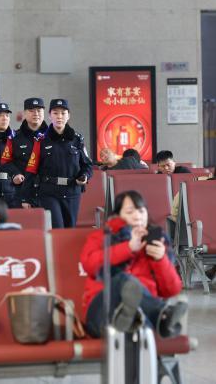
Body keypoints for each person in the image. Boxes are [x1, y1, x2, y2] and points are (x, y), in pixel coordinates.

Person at [80, 190, 187, 338]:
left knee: (138, 325)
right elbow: (90, 265)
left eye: (141, 211)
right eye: (130, 212)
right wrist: (128, 248)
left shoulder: (156, 241)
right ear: (117, 215)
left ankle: (146, 325)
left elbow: (172, 290)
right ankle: (161, 315)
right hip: (102, 312)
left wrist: (160, 259)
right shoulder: (102, 237)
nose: (137, 216)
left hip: (140, 314)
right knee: (124, 280)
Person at [24, 99, 93, 228]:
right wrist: (26, 197)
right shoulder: (41, 140)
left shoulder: (77, 139)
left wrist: (85, 176)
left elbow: (87, 165)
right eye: (55, 113)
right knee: (58, 228)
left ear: (68, 116)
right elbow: (31, 169)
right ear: (50, 116)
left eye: (63, 113)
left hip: (72, 191)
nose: (59, 116)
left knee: (70, 228)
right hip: (49, 192)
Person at [13, 98, 49, 207]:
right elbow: (6, 162)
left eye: (39, 110)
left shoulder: (53, 137)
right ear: (24, 113)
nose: (36, 114)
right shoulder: (14, 138)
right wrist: (14, 174)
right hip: (22, 192)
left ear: (44, 113)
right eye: (31, 110)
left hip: (49, 193)